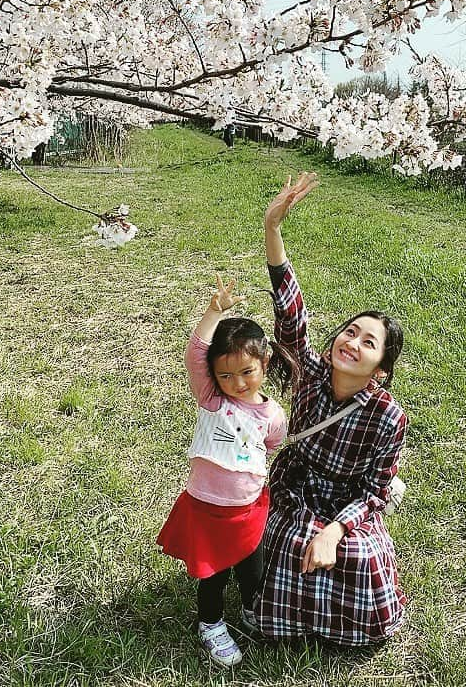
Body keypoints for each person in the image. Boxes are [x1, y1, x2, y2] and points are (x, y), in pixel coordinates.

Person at [253, 172, 408, 646]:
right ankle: (285, 620)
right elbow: (291, 317)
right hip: (298, 482)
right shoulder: (311, 373)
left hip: (347, 500)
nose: (353, 342)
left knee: (359, 558)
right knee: (287, 542)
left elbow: (374, 491)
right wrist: (272, 229)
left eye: (369, 342)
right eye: (349, 331)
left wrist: (336, 531)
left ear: (380, 370)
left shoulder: (387, 414)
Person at [156, 274, 299, 666]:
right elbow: (195, 353)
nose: (236, 383)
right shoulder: (212, 400)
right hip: (207, 509)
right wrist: (213, 312)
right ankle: (211, 623)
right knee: (213, 574)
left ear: (264, 363)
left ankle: (254, 609)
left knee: (253, 568)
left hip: (248, 509)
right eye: (225, 375)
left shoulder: (273, 413)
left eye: (246, 373)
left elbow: (271, 446)